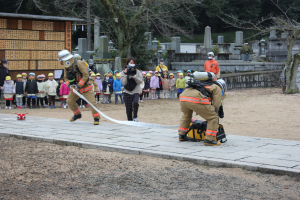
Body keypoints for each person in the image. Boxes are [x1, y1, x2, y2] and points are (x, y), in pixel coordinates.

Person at [178, 76, 227, 146]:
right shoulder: (217, 88)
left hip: (183, 97)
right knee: (213, 117)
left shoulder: (203, 84)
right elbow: (216, 104)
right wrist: (215, 112)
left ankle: (182, 135)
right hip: (195, 98)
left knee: (186, 116)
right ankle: (209, 139)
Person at [59, 50, 100, 125]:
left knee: (92, 102)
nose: (62, 62)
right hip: (75, 88)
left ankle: (96, 118)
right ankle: (77, 114)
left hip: (86, 86)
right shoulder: (66, 66)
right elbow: (66, 78)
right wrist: (69, 86)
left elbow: (86, 75)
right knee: (69, 101)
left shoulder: (79, 63)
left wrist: (79, 85)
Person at [120, 57, 143, 122]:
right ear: (127, 64)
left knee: (135, 103)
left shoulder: (138, 72)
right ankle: (129, 120)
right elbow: (124, 83)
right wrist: (125, 73)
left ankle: (135, 117)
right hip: (127, 91)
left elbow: (140, 81)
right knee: (128, 108)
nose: (131, 64)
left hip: (136, 91)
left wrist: (134, 76)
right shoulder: (123, 72)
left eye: (133, 63)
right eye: (130, 63)